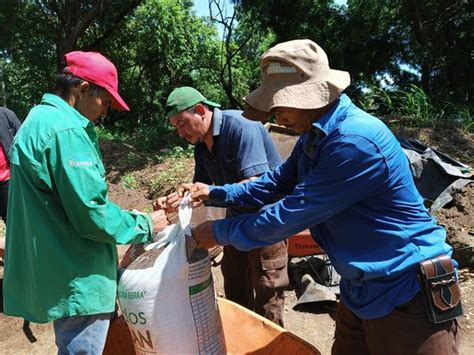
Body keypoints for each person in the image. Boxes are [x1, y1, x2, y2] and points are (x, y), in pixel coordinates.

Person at [181, 40, 461, 354]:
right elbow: (275, 182)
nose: (277, 114)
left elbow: (291, 213)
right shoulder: (314, 136)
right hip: (360, 288)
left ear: (314, 95)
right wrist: (215, 193)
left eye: (281, 104)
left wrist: (218, 232)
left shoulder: (354, 140)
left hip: (405, 289)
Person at [3, 51, 168, 354]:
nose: (105, 111)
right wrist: (146, 223)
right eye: (105, 101)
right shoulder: (67, 131)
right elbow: (91, 214)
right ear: (81, 90)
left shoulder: (37, 119)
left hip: (56, 268)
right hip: (78, 274)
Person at [158, 86, 289, 326]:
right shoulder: (201, 144)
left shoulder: (242, 126)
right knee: (234, 283)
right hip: (236, 220)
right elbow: (202, 187)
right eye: (176, 127)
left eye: (182, 124)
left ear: (200, 110)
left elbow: (256, 186)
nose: (180, 132)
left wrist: (208, 196)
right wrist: (178, 198)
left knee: (267, 292)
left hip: (266, 219)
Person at [0, 107, 21, 224]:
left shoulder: (6, 115)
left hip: (7, 180)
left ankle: (15, 242)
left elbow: (23, 138)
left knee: (13, 220)